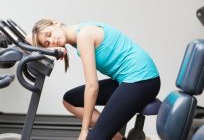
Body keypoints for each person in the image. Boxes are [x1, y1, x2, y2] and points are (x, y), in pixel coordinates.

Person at [29, 19, 160, 140]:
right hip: (129, 79)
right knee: (70, 100)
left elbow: (92, 86)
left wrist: (84, 130)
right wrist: (53, 48)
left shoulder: (84, 36)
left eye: (49, 34)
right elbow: (29, 39)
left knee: (92, 138)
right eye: (47, 43)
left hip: (143, 80)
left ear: (55, 23)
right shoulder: (77, 33)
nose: (52, 40)